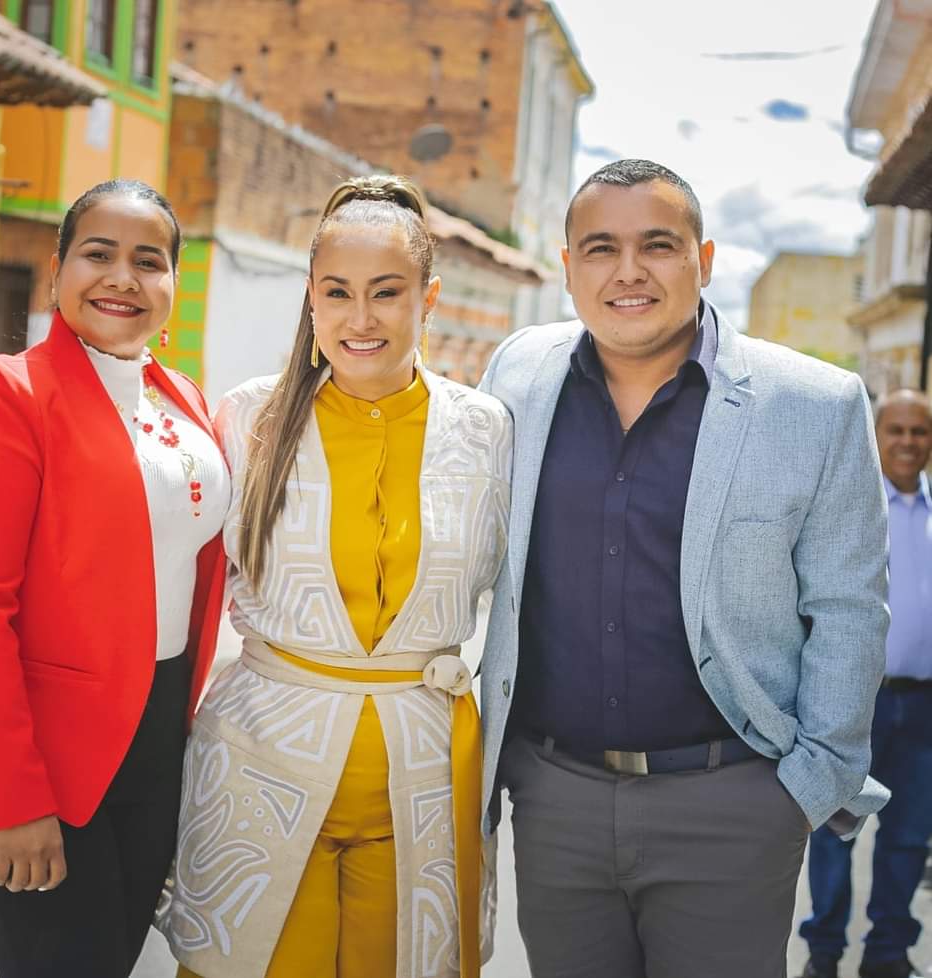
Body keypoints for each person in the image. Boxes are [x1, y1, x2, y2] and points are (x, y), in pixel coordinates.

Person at [477, 158, 891, 978]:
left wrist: (804, 789)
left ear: (703, 261)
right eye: (601, 248)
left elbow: (850, 609)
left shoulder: (816, 405)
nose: (627, 271)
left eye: (657, 246)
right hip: (555, 801)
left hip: (733, 805)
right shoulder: (519, 374)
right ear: (568, 267)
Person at [159, 175, 512, 978]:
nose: (361, 319)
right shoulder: (249, 418)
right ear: (311, 297)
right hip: (259, 774)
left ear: (428, 298)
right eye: (337, 292)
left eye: (386, 292)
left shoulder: (486, 430)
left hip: (422, 782)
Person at [0, 179, 231, 978]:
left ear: (173, 282)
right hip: (29, 749)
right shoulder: (3, 395)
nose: (123, 277)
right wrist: (13, 798)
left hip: (153, 739)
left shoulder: (183, 400)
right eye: (99, 254)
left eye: (148, 261)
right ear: (57, 270)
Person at [798, 389, 932, 978]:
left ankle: (888, 953)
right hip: (855, 700)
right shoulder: (851, 506)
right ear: (876, 437)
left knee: (909, 836)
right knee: (835, 830)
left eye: (919, 431)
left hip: (924, 706)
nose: (907, 441)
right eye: (896, 429)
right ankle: (824, 951)